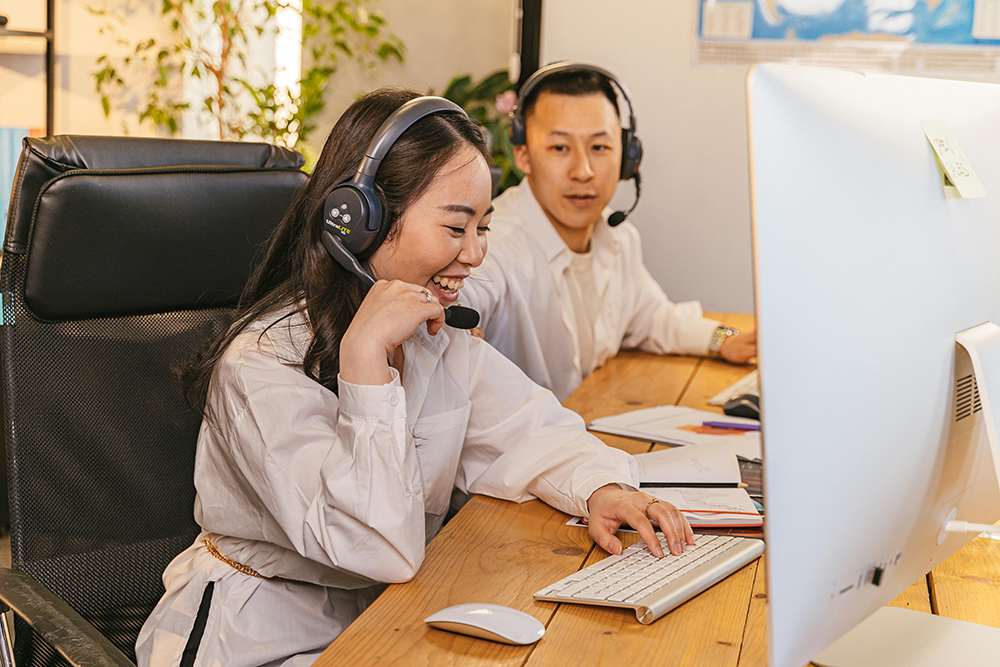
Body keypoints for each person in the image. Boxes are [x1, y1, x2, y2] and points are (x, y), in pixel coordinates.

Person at [136, 88, 694, 667]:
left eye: (484, 227)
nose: (476, 254)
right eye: (457, 228)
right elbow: (374, 545)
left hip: (385, 618)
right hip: (259, 636)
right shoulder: (260, 364)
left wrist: (601, 488)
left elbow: (532, 430)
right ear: (359, 220)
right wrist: (364, 364)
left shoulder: (432, 336)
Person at [461, 64, 756, 402]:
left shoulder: (617, 238)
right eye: (560, 148)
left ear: (628, 156)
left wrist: (723, 340)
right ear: (523, 155)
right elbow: (459, 305)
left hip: (584, 428)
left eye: (599, 148)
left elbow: (651, 317)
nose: (583, 171)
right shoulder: (492, 245)